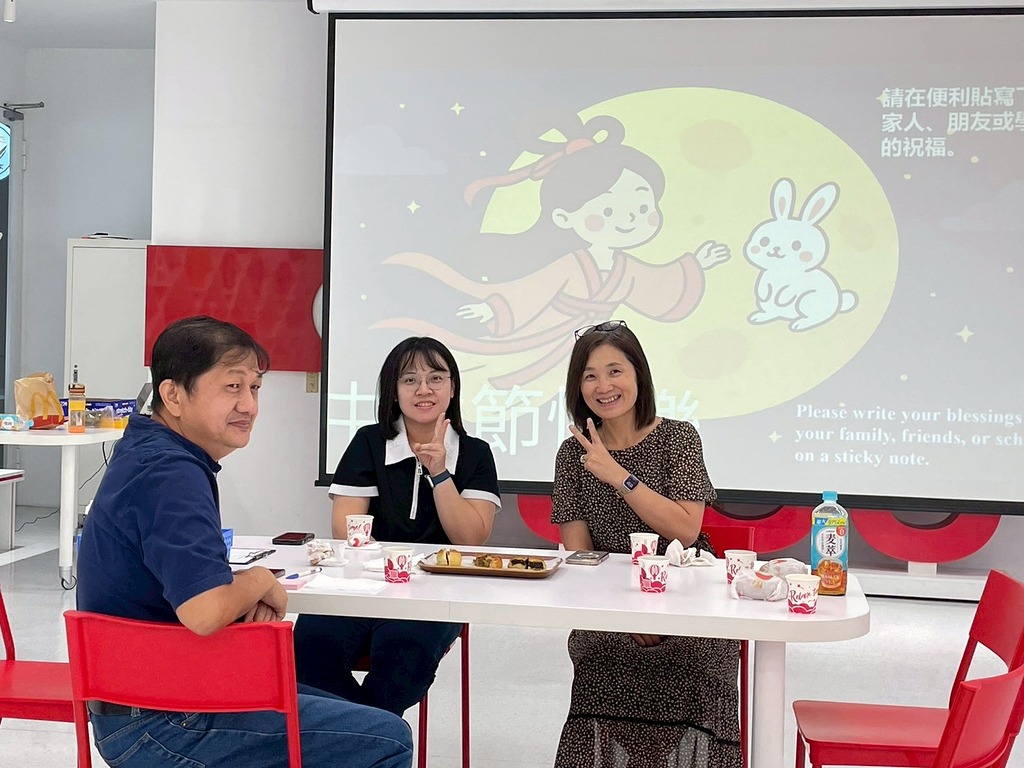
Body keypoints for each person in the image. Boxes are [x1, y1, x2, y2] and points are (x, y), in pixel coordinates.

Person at [76, 316, 413, 768]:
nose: (249, 405)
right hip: (162, 720)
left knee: (352, 711)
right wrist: (257, 581)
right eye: (232, 387)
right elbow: (204, 611)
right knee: (388, 737)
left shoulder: (149, 450)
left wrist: (238, 594)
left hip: (144, 698)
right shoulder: (171, 473)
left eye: (254, 388)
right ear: (173, 396)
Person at [373, 114, 730, 399]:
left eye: (642, 207)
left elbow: (657, 284)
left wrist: (694, 265)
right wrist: (496, 309)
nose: (629, 220)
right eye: (608, 211)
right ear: (564, 217)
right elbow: (533, 291)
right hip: (550, 331)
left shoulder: (626, 267)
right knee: (539, 377)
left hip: (591, 350)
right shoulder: (573, 263)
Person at [549, 320, 740, 768]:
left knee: (696, 655)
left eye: (615, 371)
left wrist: (617, 474)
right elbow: (579, 557)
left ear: (639, 374)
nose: (603, 386)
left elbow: (686, 531)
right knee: (597, 650)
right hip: (610, 607)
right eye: (590, 375)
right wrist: (628, 612)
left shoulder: (679, 437)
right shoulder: (571, 454)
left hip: (687, 603)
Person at [293, 336, 500, 714]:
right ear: (393, 391)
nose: (424, 389)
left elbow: (470, 538)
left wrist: (440, 473)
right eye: (410, 380)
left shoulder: (475, 453)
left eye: (436, 378)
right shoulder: (369, 442)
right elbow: (346, 528)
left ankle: (371, 732)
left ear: (452, 388)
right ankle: (374, 731)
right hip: (363, 584)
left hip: (436, 594)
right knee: (308, 646)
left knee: (403, 657)